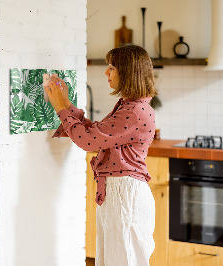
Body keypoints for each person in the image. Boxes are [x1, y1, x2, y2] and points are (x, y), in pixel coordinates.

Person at [45, 44, 157, 266]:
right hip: (120, 193)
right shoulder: (130, 106)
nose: (106, 72)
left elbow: (88, 141)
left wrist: (60, 107)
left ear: (128, 72)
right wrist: (66, 103)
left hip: (125, 195)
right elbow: (96, 133)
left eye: (112, 67)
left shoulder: (134, 111)